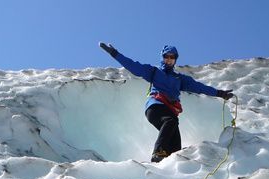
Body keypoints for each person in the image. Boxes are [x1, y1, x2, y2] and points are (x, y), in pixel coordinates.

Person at [99, 42, 234, 162]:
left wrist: (219, 93)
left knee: (176, 146)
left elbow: (199, 87)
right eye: (166, 56)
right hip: (155, 107)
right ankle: (158, 151)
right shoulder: (154, 72)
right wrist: (115, 54)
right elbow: (133, 66)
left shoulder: (179, 79)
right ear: (162, 57)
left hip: (170, 110)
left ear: (175, 59)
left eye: (172, 57)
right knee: (170, 121)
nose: (169, 60)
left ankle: (166, 168)